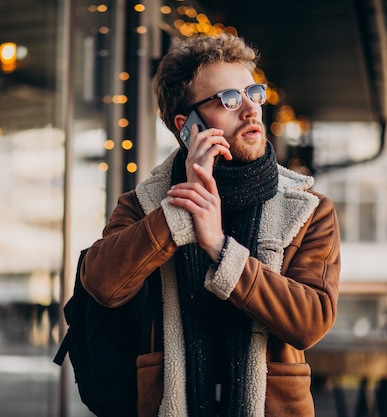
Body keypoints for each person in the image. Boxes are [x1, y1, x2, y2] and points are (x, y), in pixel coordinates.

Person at [80, 34, 341, 417]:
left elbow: (311, 321)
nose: (251, 109)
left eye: (253, 92)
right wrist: (177, 212)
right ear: (188, 126)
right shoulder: (145, 205)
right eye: (230, 100)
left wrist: (220, 248)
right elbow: (101, 284)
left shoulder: (307, 209)